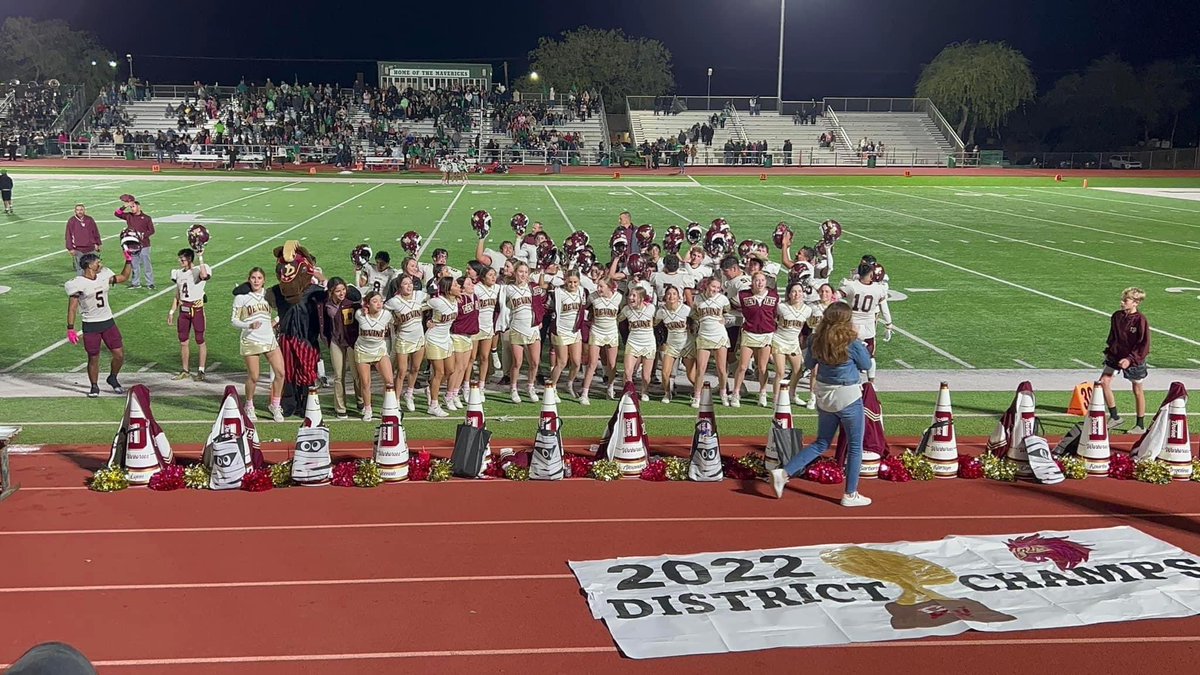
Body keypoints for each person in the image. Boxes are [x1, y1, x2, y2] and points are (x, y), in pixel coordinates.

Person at [769, 302, 872, 507]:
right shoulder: (851, 341)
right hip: (848, 396)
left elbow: (808, 364)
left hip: (824, 395)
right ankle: (850, 493)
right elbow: (866, 365)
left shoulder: (817, 338)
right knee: (855, 446)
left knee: (821, 442)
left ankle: (785, 472)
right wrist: (858, 340)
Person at [65, 251, 134, 397]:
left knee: (119, 354)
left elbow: (124, 277)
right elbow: (72, 307)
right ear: (89, 266)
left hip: (108, 321)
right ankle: (94, 386)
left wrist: (128, 261)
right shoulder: (78, 283)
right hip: (90, 324)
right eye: (97, 262)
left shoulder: (103, 275)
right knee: (93, 357)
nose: (100, 264)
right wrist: (70, 328)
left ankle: (113, 377)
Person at [231, 267, 286, 421]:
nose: (256, 281)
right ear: (249, 279)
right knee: (254, 376)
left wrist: (276, 321)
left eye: (259, 278)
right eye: (253, 277)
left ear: (264, 280)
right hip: (251, 339)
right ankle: (249, 405)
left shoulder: (268, 295)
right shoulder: (241, 297)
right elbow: (234, 321)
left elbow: (283, 309)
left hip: (269, 339)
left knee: (281, 373)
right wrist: (248, 325)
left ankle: (275, 405)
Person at [1099, 287, 1150, 433]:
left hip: (1134, 360)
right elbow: (1113, 336)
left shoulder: (1141, 320)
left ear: (1136, 303)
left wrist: (1130, 359)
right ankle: (1114, 417)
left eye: (1125, 300)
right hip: (1115, 356)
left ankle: (1140, 425)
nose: (1122, 302)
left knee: (1137, 389)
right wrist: (1109, 351)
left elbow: (1144, 344)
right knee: (1103, 382)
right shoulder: (1116, 316)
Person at [166, 248, 211, 380]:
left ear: (190, 259)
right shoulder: (178, 273)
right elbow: (178, 294)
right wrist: (171, 311)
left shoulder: (198, 270)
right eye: (179, 258)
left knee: (200, 340)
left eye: (183, 259)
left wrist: (200, 257)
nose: (180, 261)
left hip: (196, 309)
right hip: (183, 310)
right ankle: (185, 370)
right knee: (183, 341)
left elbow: (204, 275)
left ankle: (201, 370)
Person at [322, 277, 361, 420]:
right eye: (338, 291)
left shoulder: (351, 303)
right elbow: (324, 323)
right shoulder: (326, 305)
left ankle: (361, 402)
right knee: (339, 376)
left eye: (343, 290)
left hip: (351, 341)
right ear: (331, 292)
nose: (341, 293)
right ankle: (340, 407)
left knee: (357, 374)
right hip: (336, 341)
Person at [353, 291, 395, 421]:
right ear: (367, 303)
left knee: (389, 381)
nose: (379, 304)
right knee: (365, 383)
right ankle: (368, 409)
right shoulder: (360, 314)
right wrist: (363, 307)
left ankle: (387, 407)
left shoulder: (386, 315)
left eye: (380, 301)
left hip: (379, 350)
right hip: (362, 350)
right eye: (374, 301)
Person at [114, 200, 156, 289]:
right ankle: (135, 283)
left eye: (133, 207)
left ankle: (150, 283)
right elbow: (117, 213)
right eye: (131, 207)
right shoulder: (129, 216)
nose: (132, 209)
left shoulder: (146, 218)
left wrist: (143, 235)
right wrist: (124, 206)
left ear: (138, 207)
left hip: (144, 244)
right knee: (134, 265)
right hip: (132, 245)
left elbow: (152, 230)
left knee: (146, 264)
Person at [65, 204, 102, 274]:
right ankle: (81, 283)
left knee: (94, 267)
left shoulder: (89, 219)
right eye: (78, 210)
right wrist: (70, 248)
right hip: (78, 249)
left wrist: (98, 243)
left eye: (81, 210)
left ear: (84, 210)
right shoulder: (72, 221)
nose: (80, 212)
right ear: (75, 211)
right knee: (80, 268)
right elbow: (68, 235)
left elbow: (95, 231)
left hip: (91, 248)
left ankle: (94, 283)